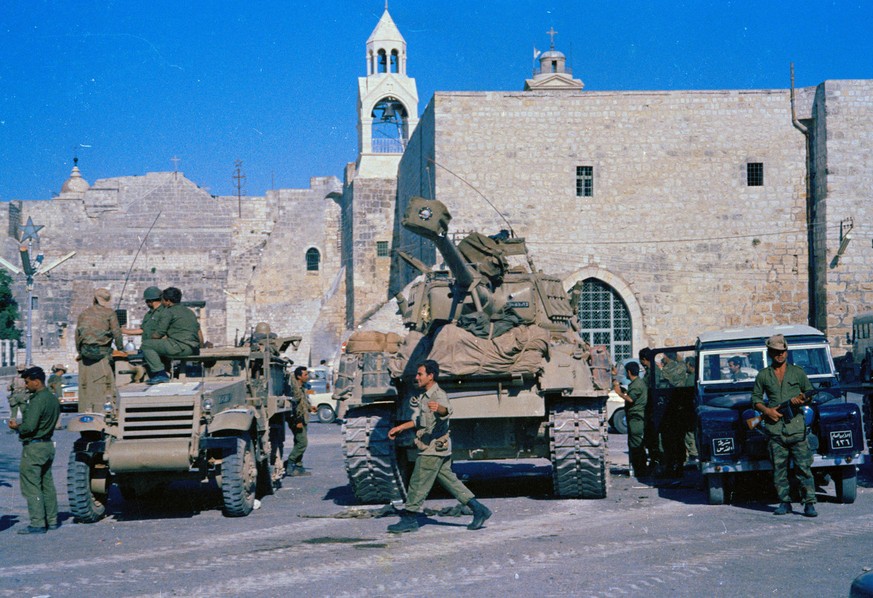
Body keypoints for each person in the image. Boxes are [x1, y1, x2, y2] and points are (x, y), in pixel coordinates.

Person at [386, 360, 491, 533]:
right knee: (450, 481)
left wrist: (439, 408)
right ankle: (479, 510)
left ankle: (410, 518)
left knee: (418, 482)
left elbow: (446, 411)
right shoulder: (425, 395)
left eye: (420, 374)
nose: (417, 377)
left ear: (430, 376)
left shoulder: (437, 396)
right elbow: (422, 420)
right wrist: (400, 427)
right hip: (438, 447)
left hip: (433, 447)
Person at [751, 334, 817, 517]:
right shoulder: (764, 375)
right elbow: (755, 399)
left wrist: (801, 400)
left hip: (796, 429)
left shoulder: (797, 372)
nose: (780, 355)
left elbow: (810, 393)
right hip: (775, 431)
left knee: (804, 468)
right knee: (779, 470)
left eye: (783, 352)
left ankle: (809, 503)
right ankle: (784, 502)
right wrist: (767, 411)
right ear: (770, 353)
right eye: (776, 352)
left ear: (787, 352)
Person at [8, 366, 60, 534]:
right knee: (47, 485)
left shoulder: (38, 400)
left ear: (36, 382)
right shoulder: (52, 398)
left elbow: (29, 426)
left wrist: (17, 427)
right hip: (47, 445)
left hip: (34, 447)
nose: (26, 385)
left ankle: (37, 523)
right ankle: (52, 520)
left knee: (32, 486)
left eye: (27, 381)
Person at [76, 288, 124, 413]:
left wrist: (80, 352)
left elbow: (78, 335)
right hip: (103, 352)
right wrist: (121, 349)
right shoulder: (110, 313)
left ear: (94, 299)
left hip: (86, 351)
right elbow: (117, 333)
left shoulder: (84, 313)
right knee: (109, 380)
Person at [141, 287, 201, 384]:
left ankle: (161, 374)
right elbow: (198, 331)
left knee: (146, 345)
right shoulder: (189, 311)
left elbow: (159, 333)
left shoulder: (168, 312)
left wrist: (152, 338)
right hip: (193, 348)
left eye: (162, 300)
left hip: (179, 347)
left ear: (168, 301)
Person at [613, 361, 648, 477]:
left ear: (629, 372)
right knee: (635, 443)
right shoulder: (637, 383)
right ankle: (639, 468)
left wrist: (619, 393)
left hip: (636, 418)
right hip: (635, 417)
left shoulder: (637, 384)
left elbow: (631, 399)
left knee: (636, 444)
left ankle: (641, 470)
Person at [285, 366, 316, 476]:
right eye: (305, 375)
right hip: (297, 420)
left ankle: (298, 466)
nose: (307, 377)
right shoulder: (294, 390)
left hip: (302, 418)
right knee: (302, 443)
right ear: (299, 376)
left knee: (298, 442)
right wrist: (297, 421)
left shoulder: (301, 387)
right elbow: (294, 407)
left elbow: (303, 402)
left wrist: (309, 408)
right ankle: (289, 463)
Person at [683, 356, 699, 463]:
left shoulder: (690, 379)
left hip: (690, 409)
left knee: (689, 434)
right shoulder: (696, 376)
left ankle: (693, 454)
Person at [6, 363, 29, 432]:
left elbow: (8, 388)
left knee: (13, 413)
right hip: (23, 396)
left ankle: (12, 428)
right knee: (24, 412)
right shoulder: (26, 378)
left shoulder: (13, 378)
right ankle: (25, 427)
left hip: (14, 397)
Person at [47, 364, 66, 430]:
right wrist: (59, 396)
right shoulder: (57, 378)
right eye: (63, 371)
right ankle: (57, 425)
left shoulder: (51, 377)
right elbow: (56, 386)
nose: (63, 373)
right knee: (57, 411)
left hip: (51, 395)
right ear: (60, 371)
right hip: (55, 395)